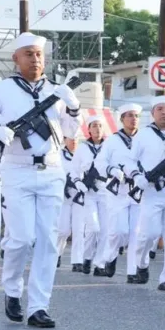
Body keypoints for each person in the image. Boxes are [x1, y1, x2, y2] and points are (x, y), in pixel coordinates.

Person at [0, 32, 81, 327]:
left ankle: (38, 306)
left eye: (39, 54)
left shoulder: (56, 90)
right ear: (16, 58)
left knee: (48, 241)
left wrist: (73, 106)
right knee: (20, 239)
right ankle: (11, 290)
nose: (35, 59)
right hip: (17, 170)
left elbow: (71, 131)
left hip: (51, 169)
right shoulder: (3, 90)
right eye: (29, 54)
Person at [125, 95, 165, 290]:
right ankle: (141, 263)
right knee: (148, 234)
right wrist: (136, 176)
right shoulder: (143, 134)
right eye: (160, 109)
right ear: (152, 113)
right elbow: (130, 161)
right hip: (152, 190)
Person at [93, 103, 143, 278]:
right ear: (122, 119)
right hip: (118, 191)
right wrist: (111, 170)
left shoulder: (144, 138)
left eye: (136, 115)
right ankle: (110, 256)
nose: (133, 119)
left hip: (137, 190)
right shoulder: (112, 140)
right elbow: (100, 162)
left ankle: (133, 272)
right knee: (118, 231)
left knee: (136, 232)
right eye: (129, 115)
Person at [68, 115, 109, 274]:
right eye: (94, 126)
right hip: (89, 192)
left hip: (105, 190)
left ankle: (99, 264)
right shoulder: (83, 148)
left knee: (105, 229)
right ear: (89, 130)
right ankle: (86, 257)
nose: (97, 129)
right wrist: (78, 183)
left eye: (100, 126)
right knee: (94, 227)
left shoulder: (109, 146)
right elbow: (74, 170)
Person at [56, 137, 78, 265]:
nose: (73, 141)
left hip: (78, 197)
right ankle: (56, 253)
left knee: (73, 230)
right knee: (63, 229)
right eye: (70, 138)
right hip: (63, 197)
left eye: (75, 138)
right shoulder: (59, 155)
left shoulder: (82, 153)